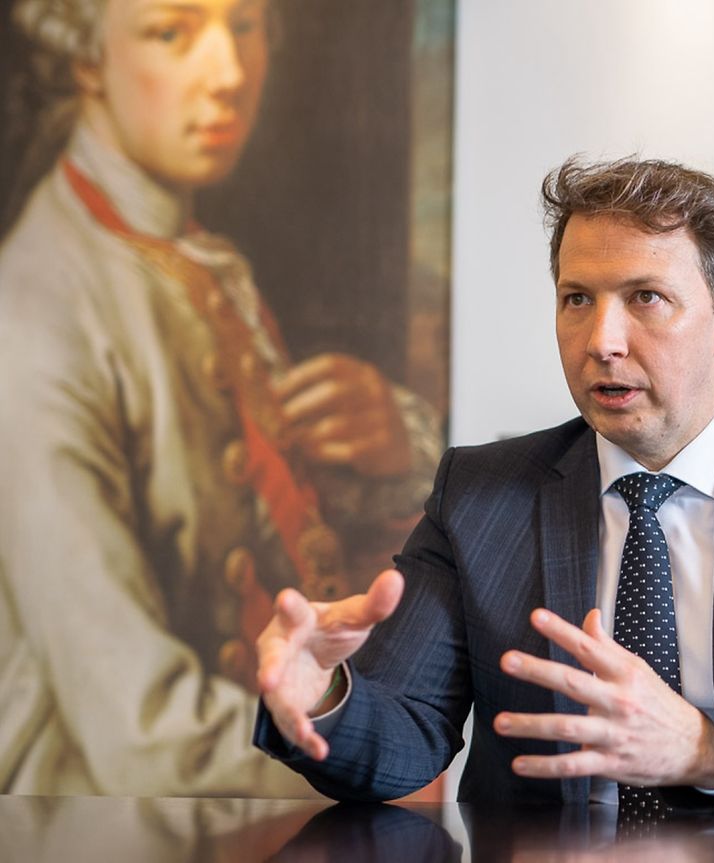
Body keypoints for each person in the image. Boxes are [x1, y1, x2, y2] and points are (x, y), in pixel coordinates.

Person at [255, 156, 714, 812]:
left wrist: (701, 744)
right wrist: (321, 693)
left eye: (645, 297)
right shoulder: (477, 495)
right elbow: (404, 734)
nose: (602, 340)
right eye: (577, 299)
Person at [0, 0, 440, 795]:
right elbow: (139, 732)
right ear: (85, 58)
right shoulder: (36, 314)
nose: (230, 75)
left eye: (244, 28)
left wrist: (400, 444)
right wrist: (386, 773)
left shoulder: (196, 260)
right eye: (173, 32)